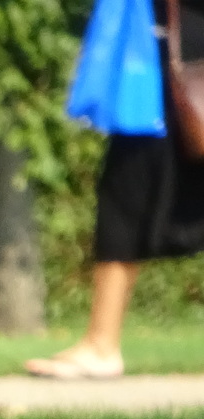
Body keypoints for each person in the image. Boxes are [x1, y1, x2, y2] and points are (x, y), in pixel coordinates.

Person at [29, 0, 204, 379]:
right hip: (161, 72)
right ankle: (101, 343)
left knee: (124, 198)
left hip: (183, 73)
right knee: (123, 198)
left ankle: (102, 345)